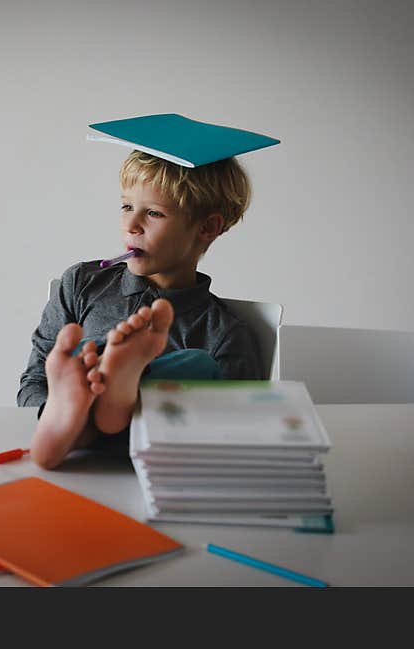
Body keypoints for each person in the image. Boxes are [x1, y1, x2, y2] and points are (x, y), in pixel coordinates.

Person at [17, 149, 262, 469]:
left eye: (154, 213)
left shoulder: (224, 333)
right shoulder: (82, 283)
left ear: (207, 228)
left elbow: (238, 431)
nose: (132, 224)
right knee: (79, 353)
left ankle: (106, 407)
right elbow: (33, 383)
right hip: (65, 433)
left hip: (152, 453)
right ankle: (83, 406)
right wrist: (51, 408)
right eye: (127, 206)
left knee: (198, 365)